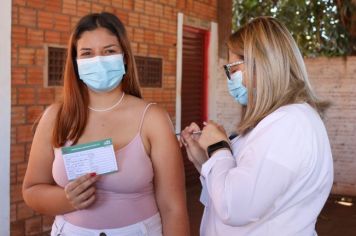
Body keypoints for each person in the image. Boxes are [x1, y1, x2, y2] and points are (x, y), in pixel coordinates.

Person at [23, 12, 189, 236]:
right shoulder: (55, 117)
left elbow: (174, 208)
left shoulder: (153, 118)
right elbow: (32, 189)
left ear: (125, 57)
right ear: (76, 62)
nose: (98, 61)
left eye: (109, 51)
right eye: (87, 53)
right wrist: (66, 199)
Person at [180, 16, 333, 236]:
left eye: (232, 68)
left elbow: (235, 207)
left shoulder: (290, 125)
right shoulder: (276, 121)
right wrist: (205, 161)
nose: (229, 78)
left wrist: (219, 147)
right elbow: (232, 193)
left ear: (262, 63)